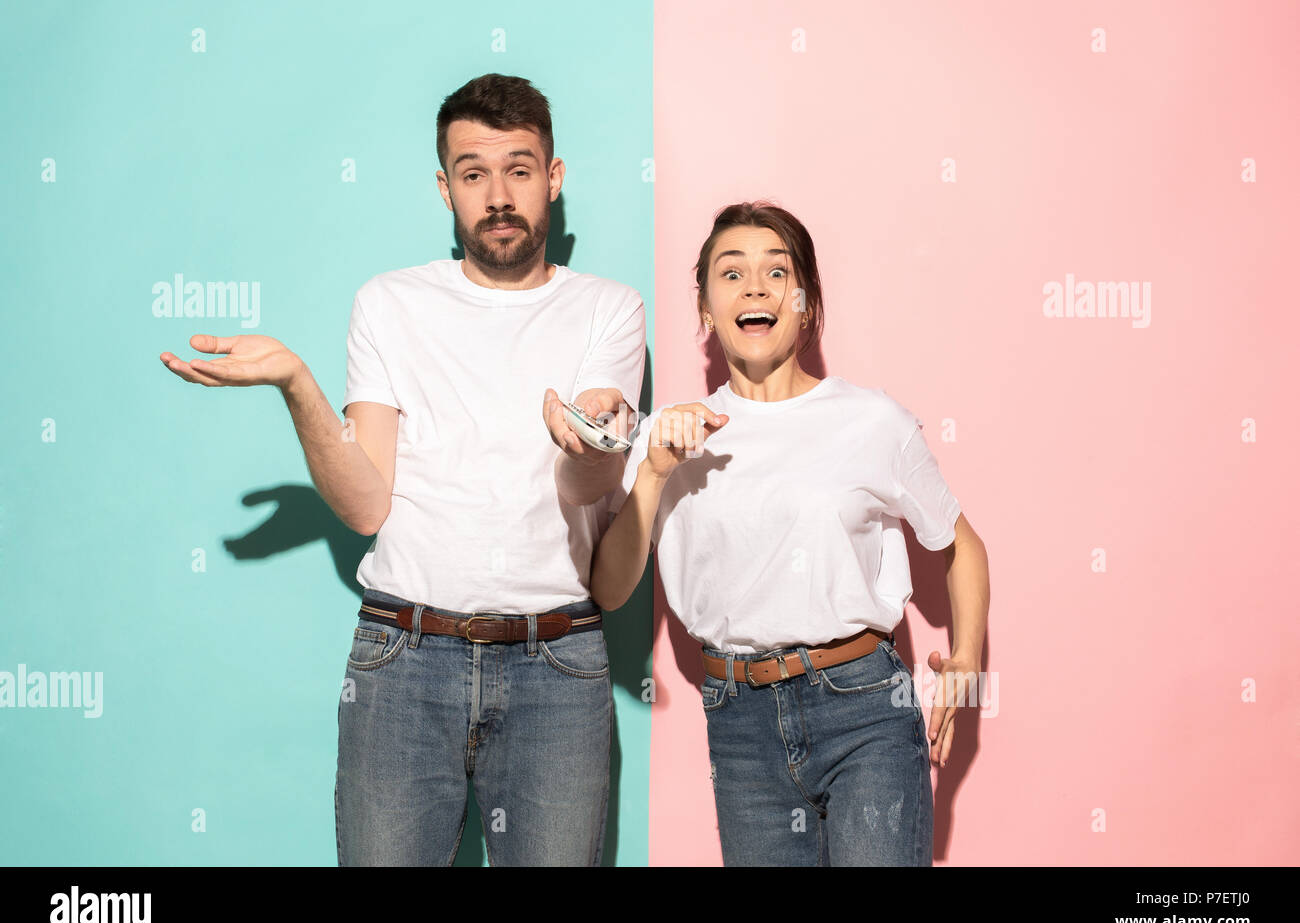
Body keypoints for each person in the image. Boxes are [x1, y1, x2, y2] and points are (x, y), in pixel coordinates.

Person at [161, 73, 645, 866]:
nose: (497, 195)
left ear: (554, 179)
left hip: (557, 665)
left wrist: (586, 439)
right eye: (473, 172)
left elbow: (593, 478)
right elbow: (363, 506)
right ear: (444, 185)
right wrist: (297, 385)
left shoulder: (609, 309)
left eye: (520, 170)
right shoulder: (389, 303)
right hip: (402, 659)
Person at [591, 200, 989, 866]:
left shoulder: (871, 421)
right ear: (705, 309)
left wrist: (968, 661)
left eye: (777, 272)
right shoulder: (670, 434)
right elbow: (608, 588)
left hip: (863, 709)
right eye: (731, 273)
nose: (754, 287)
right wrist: (655, 472)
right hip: (738, 721)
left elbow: (961, 544)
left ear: (807, 304)